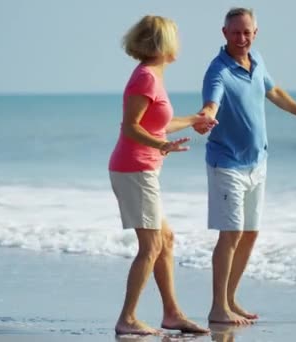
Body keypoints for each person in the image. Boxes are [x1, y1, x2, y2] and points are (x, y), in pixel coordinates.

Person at [193, 8, 296, 325]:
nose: (242, 38)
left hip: (257, 163)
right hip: (227, 164)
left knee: (250, 234)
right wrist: (207, 114)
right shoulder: (218, 71)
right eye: (235, 33)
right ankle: (217, 307)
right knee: (231, 234)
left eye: (247, 32)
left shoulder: (257, 61)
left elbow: (274, 91)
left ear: (255, 33)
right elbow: (212, 102)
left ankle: (230, 298)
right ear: (224, 33)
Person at [109, 15, 217, 336]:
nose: (179, 43)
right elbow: (131, 126)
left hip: (143, 167)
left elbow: (157, 123)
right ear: (163, 43)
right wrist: (161, 145)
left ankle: (172, 314)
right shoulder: (145, 77)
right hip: (134, 168)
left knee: (164, 240)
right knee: (151, 245)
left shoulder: (152, 77)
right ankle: (127, 319)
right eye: (175, 37)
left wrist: (194, 120)